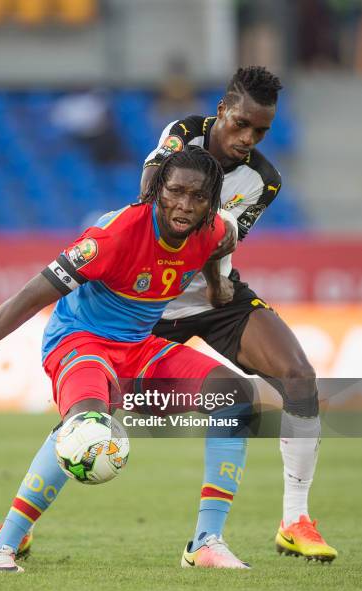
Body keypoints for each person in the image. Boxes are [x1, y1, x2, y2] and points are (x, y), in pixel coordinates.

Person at [0, 147, 254, 572]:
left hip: (139, 347)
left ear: (212, 202)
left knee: (235, 394)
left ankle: (206, 543)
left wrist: (217, 284)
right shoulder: (113, 237)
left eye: (198, 196)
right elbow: (29, 296)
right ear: (157, 191)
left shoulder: (216, 229)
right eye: (175, 192)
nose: (185, 205)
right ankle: (1, 545)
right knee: (87, 428)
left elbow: (222, 242)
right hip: (80, 341)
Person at [142, 66, 337, 563]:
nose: (248, 138)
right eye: (241, 125)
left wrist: (216, 284)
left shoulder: (263, 180)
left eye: (261, 131)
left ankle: (295, 519)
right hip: (148, 292)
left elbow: (220, 244)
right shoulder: (184, 133)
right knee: (98, 407)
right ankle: (21, 520)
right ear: (222, 111)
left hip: (212, 291)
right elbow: (148, 194)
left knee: (299, 377)